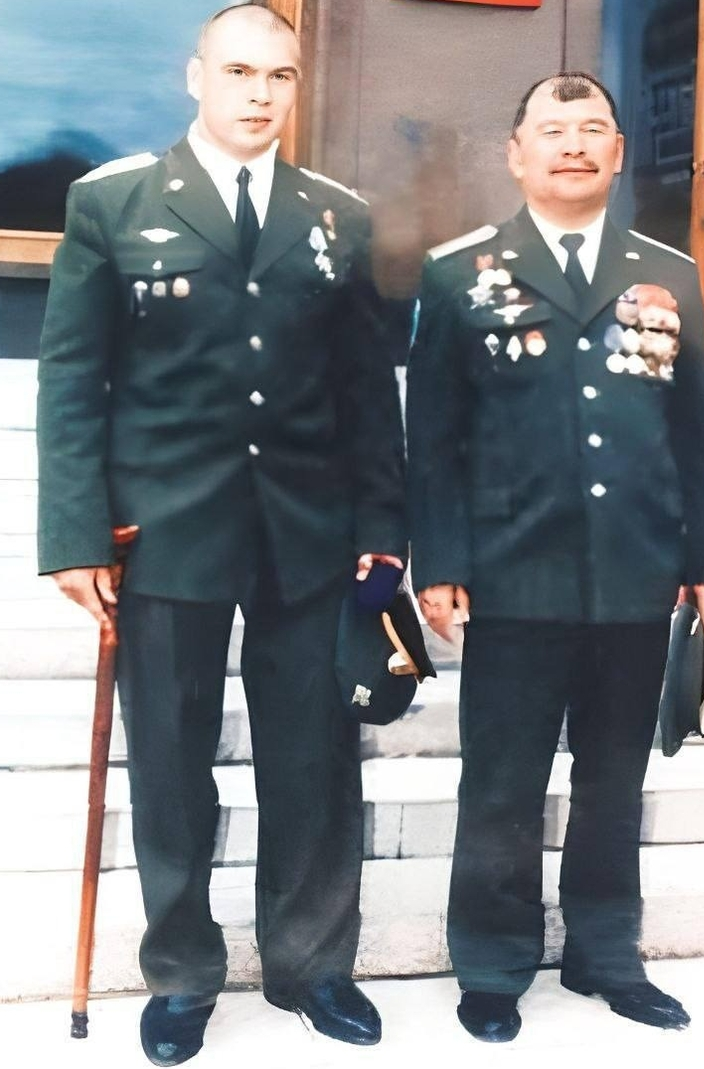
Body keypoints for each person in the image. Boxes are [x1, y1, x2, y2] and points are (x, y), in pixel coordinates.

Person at [37, 4, 406, 1062]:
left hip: (308, 529)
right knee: (169, 758)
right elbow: (74, 379)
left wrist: (382, 524)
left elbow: (364, 388)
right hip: (165, 529)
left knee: (312, 755)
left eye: (279, 75)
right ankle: (182, 973)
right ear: (194, 76)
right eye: (239, 71)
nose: (259, 93)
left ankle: (311, 964)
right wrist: (73, 535)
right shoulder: (112, 201)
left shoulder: (336, 215)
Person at [406, 72, 704, 1041]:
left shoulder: (668, 273)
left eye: (592, 128)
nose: (573, 145)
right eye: (551, 131)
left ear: (619, 153)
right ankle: (491, 963)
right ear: (516, 155)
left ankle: (604, 954)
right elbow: (434, 438)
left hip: (636, 569)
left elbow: (694, 429)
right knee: (501, 782)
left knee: (612, 778)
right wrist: (439, 561)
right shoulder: (459, 273)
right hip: (512, 574)